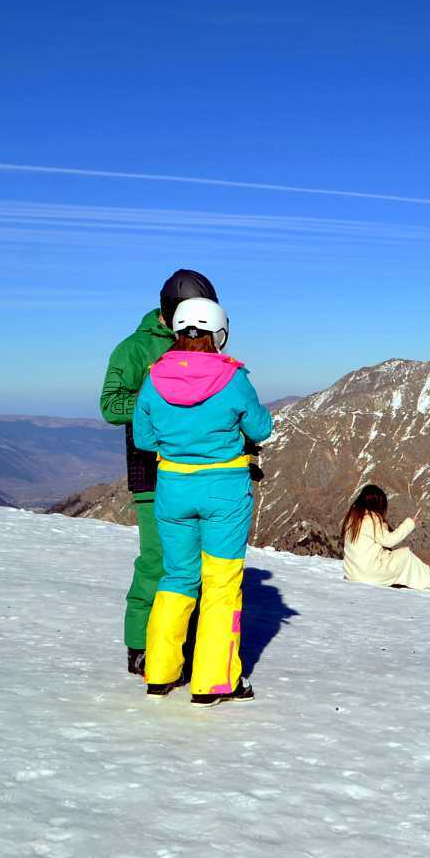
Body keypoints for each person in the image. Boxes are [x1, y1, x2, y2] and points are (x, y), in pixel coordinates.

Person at [133, 297, 272, 706]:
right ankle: (214, 683)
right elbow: (260, 426)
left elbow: (143, 439)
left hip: (172, 486)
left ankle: (159, 673)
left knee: (177, 577)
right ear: (219, 332)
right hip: (224, 489)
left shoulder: (154, 378)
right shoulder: (233, 378)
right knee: (221, 585)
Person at [100, 268, 218, 676]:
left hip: (201, 470)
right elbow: (110, 405)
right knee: (157, 560)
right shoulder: (133, 349)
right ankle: (139, 644)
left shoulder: (202, 342)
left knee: (197, 563)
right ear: (171, 312)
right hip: (151, 472)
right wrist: (158, 400)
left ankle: (181, 643)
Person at [341, 483, 430, 589]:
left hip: (352, 574)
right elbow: (389, 541)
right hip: (368, 574)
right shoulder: (372, 519)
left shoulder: (352, 519)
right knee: (405, 555)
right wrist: (410, 523)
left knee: (391, 557)